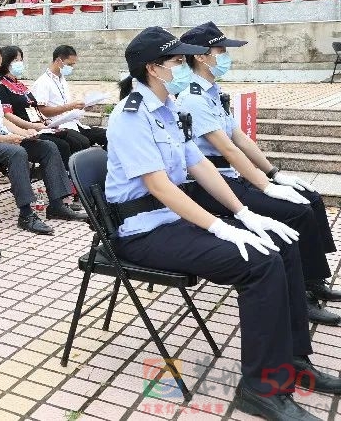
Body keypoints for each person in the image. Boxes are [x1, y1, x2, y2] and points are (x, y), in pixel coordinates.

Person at [106, 26, 341, 419]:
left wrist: (246, 214)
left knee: (279, 244)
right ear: (152, 67)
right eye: (177, 61)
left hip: (173, 219)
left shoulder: (168, 110)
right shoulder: (131, 115)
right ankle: (261, 388)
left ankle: (294, 361)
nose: (183, 67)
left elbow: (199, 166)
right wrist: (222, 228)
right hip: (144, 230)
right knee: (259, 264)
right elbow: (162, 188)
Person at [177, 21, 341, 326]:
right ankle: (301, 296)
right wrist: (266, 186)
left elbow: (240, 138)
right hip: (212, 185)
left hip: (231, 177)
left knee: (311, 198)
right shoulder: (193, 98)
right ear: (201, 56)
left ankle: (313, 278)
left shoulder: (213, 91)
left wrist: (275, 173)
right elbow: (229, 151)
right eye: (220, 50)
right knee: (295, 212)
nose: (225, 56)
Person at [0, 42, 85, 236]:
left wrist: (25, 133)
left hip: (0, 137)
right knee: (17, 153)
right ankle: (26, 213)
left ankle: (57, 203)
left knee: (46, 147)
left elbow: (2, 119)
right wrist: (6, 139)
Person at [0, 46, 83, 169]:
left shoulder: (20, 85)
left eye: (21, 60)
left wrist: (45, 121)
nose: (20, 63)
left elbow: (34, 107)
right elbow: (7, 115)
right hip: (25, 129)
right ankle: (65, 178)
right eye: (16, 60)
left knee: (75, 140)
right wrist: (32, 126)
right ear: (6, 61)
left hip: (40, 126)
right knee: (63, 145)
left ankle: (73, 176)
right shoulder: (1, 86)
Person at [31, 45, 107, 150]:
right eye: (69, 64)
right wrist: (70, 107)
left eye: (73, 65)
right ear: (58, 61)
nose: (71, 68)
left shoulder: (62, 80)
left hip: (74, 124)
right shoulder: (43, 83)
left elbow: (67, 106)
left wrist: (83, 107)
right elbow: (43, 111)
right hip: (60, 127)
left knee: (109, 135)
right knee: (82, 142)